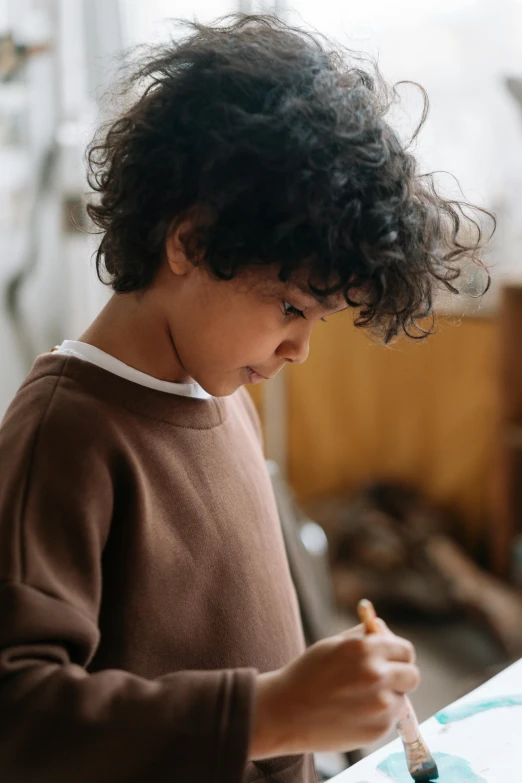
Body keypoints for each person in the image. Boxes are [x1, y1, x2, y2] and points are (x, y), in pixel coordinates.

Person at [0, 14, 491, 783]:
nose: (299, 349)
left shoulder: (220, 391)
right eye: (292, 309)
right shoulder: (65, 432)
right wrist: (268, 711)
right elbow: (19, 717)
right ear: (190, 243)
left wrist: (330, 698)